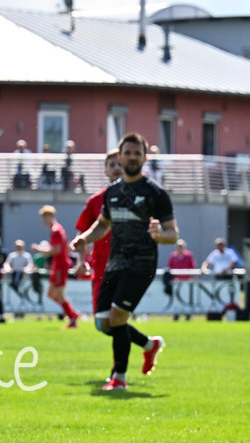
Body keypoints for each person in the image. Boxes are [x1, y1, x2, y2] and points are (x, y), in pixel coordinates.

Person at [71, 132, 178, 391]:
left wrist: (158, 235)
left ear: (144, 157)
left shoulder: (156, 194)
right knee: (105, 323)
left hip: (141, 265)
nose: (132, 158)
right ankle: (149, 345)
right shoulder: (112, 193)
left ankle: (118, 378)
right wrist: (85, 238)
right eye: (127, 153)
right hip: (113, 265)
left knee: (118, 318)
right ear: (120, 157)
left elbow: (172, 234)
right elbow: (102, 225)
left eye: (137, 154)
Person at [74, 149, 125, 315]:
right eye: (112, 165)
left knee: (119, 316)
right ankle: (146, 342)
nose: (116, 168)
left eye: (120, 164)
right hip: (102, 262)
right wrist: (80, 260)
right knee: (101, 317)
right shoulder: (95, 201)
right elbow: (83, 234)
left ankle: (143, 341)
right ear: (106, 171)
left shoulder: (139, 196)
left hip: (128, 261)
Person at [32, 205, 82, 327]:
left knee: (59, 294)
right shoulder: (58, 229)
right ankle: (72, 313)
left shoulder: (56, 230)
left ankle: (72, 318)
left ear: (50, 217)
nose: (44, 221)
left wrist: (40, 249)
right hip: (58, 264)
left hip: (60, 264)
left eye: (45, 218)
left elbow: (57, 249)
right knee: (50, 294)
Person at [166, 238, 196, 320]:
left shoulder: (189, 255)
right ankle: (176, 314)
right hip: (176, 282)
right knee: (176, 298)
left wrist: (187, 273)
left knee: (186, 298)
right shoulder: (173, 256)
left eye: (181, 246)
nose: (180, 248)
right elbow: (169, 268)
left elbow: (192, 267)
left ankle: (188, 314)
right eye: (178, 246)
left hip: (186, 281)